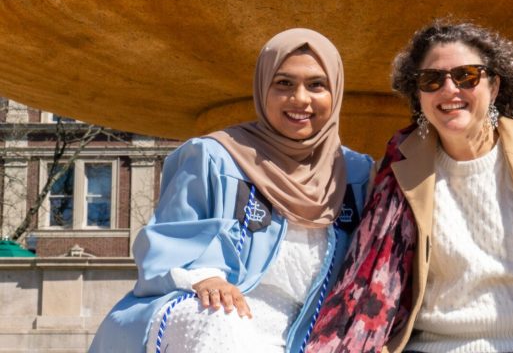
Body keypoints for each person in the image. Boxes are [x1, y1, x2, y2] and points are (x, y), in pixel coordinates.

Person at [307, 21, 513, 352]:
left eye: (466, 76)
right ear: (419, 95)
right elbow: (364, 282)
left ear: (493, 86)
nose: (449, 90)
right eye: (431, 80)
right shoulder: (394, 175)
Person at [89, 28, 373, 353]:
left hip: (310, 338)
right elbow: (168, 241)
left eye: (316, 85)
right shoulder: (215, 157)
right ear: (262, 88)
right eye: (283, 84)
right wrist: (206, 278)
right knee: (216, 316)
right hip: (219, 327)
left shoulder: (356, 174)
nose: (300, 98)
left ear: (335, 92)